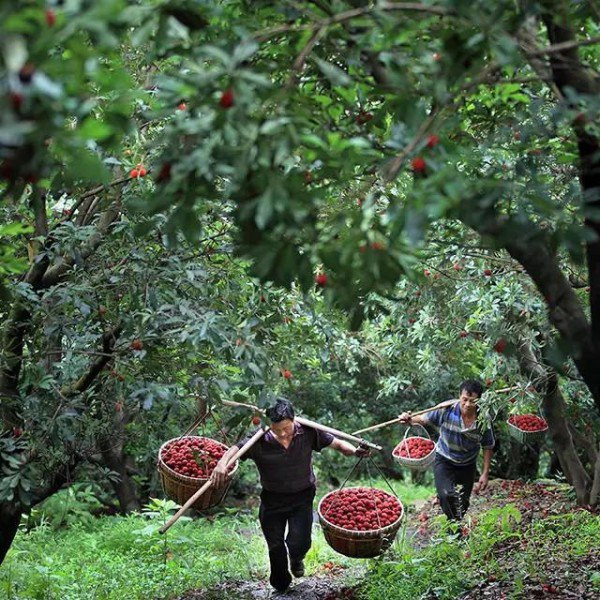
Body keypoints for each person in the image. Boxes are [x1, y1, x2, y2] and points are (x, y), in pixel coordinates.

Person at [211, 397, 368, 593]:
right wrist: (221, 464)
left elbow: (339, 445)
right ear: (269, 426)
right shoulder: (258, 439)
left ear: (294, 420)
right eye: (277, 430)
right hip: (273, 499)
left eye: (287, 428)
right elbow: (233, 450)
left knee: (300, 541)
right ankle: (281, 585)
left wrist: (355, 451)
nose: (284, 433)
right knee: (274, 545)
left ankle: (296, 558)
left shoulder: (308, 431)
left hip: (302, 497)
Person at [398, 379, 494, 523]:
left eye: (472, 401)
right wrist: (409, 419)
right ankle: (454, 527)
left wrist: (485, 473)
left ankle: (455, 527)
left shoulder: (483, 419)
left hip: (468, 463)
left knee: (463, 501)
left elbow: (488, 446)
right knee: (446, 495)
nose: (467, 404)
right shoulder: (446, 410)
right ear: (459, 396)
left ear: (479, 401)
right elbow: (422, 419)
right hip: (444, 459)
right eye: (465, 399)